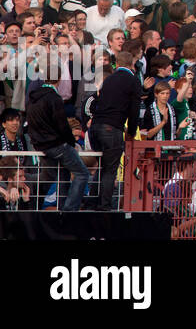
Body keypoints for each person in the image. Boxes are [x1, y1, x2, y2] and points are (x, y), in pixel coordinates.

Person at [87, 39, 142, 210]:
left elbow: (96, 103)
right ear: (132, 63)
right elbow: (134, 111)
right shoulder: (133, 81)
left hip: (95, 127)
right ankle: (104, 207)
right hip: (112, 128)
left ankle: (92, 202)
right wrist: (131, 132)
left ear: (116, 63)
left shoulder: (108, 80)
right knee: (110, 170)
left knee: (102, 166)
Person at [25, 77, 89, 211]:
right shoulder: (54, 98)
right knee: (82, 173)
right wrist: (71, 142)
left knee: (62, 174)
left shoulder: (32, 99)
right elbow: (62, 125)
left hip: (41, 146)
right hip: (56, 145)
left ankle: (61, 208)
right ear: (59, 79)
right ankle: (69, 210)